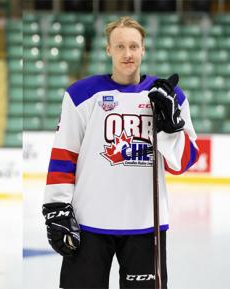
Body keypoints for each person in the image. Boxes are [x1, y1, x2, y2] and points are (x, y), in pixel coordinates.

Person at [42, 16, 199, 288]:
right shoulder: (81, 94)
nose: (128, 54)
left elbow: (182, 163)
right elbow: (64, 153)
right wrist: (56, 206)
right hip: (89, 223)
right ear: (108, 50)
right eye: (120, 47)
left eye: (134, 47)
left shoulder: (168, 96)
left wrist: (170, 127)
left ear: (144, 49)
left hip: (146, 225)